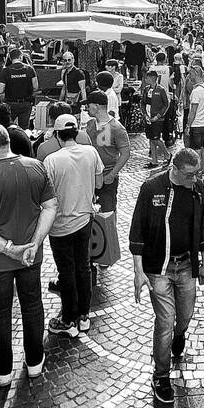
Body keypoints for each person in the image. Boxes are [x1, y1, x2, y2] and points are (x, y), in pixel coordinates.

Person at [0, 125, 58, 386]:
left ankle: (3, 370)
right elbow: (50, 207)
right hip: (31, 255)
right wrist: (34, 243)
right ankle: (35, 362)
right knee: (32, 305)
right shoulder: (36, 167)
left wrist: (9, 249)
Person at [129, 148, 204, 406]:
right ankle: (161, 375)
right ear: (174, 169)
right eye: (189, 175)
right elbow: (137, 230)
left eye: (197, 174)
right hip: (158, 269)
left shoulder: (198, 188)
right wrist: (138, 271)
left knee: (184, 316)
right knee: (165, 321)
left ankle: (180, 334)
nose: (194, 179)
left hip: (187, 266)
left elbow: (202, 225)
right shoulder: (151, 187)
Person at [42, 114, 103, 337]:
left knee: (66, 271)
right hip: (85, 219)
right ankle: (85, 315)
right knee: (84, 266)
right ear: (76, 132)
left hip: (60, 225)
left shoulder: (52, 160)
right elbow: (99, 183)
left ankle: (68, 319)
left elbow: (45, 195)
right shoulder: (91, 152)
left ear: (57, 135)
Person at [85, 88, 130, 283]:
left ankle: (106, 249)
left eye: (89, 105)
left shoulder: (116, 128)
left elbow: (125, 152)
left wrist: (112, 174)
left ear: (96, 106)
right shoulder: (90, 125)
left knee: (108, 211)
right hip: (91, 178)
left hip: (106, 178)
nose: (87, 107)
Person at [184, 60, 204, 176]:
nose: (189, 77)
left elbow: (193, 111)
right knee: (202, 148)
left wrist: (187, 126)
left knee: (196, 150)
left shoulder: (196, 92)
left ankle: (197, 171)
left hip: (196, 125)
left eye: (190, 74)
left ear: (195, 74)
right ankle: (203, 168)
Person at [141, 71, 172, 168]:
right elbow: (143, 103)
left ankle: (167, 154)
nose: (145, 80)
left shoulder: (161, 90)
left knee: (156, 138)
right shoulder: (146, 89)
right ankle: (154, 161)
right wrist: (145, 115)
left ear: (152, 78)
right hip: (148, 117)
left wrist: (158, 116)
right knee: (151, 139)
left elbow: (166, 104)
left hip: (157, 119)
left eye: (147, 78)